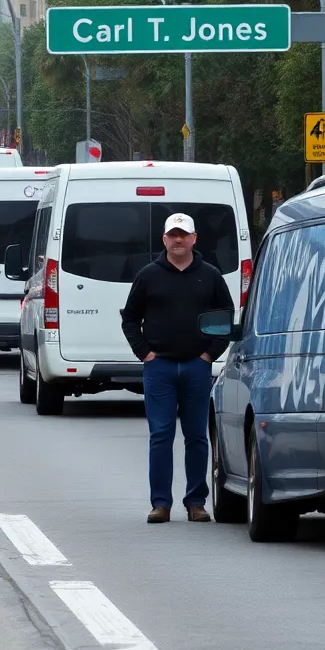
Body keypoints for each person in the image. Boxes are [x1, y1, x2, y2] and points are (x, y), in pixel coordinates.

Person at [120, 213, 235, 525]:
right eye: (173, 234)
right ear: (164, 239)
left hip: (197, 368)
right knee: (161, 434)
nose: (178, 239)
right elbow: (130, 318)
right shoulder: (148, 275)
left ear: (194, 239)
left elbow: (226, 318)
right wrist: (144, 352)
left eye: (184, 234)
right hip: (160, 369)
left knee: (197, 436)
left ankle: (196, 502)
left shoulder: (210, 276)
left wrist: (210, 355)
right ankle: (160, 504)